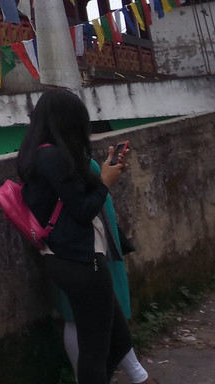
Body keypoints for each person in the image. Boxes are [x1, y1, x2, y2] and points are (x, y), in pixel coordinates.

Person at [17, 88, 132, 384]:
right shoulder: (53, 158)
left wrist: (103, 174)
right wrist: (105, 183)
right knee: (96, 350)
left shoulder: (37, 155)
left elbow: (71, 199)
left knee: (118, 342)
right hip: (81, 263)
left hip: (64, 259)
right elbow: (83, 210)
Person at [59, 156, 156, 384]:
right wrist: (104, 181)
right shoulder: (56, 156)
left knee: (103, 311)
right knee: (87, 314)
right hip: (84, 246)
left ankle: (135, 375)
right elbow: (80, 206)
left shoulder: (56, 150)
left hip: (88, 243)